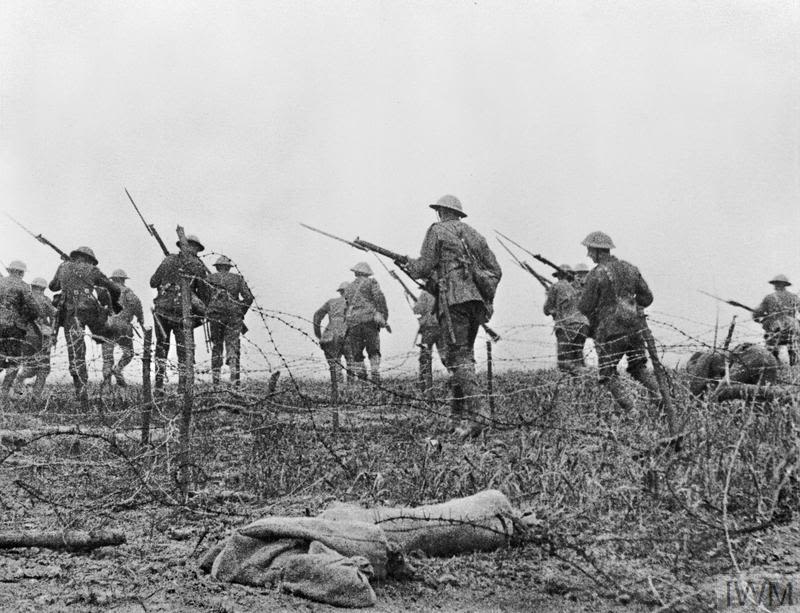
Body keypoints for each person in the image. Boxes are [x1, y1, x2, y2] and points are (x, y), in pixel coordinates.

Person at [399, 195, 502, 437]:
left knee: (458, 357)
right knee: (462, 357)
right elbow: (495, 270)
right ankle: (457, 419)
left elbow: (424, 267)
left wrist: (407, 264)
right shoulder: (474, 234)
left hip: (453, 301)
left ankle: (478, 416)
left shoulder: (437, 230)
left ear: (441, 212)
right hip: (475, 302)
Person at [577, 231, 660, 411]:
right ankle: (659, 397)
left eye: (590, 250)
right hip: (635, 328)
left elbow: (584, 307)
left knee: (607, 375)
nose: (588, 255)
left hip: (610, 332)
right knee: (638, 368)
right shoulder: (630, 268)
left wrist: (584, 293)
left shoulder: (595, 274)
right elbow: (647, 298)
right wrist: (628, 305)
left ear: (599, 251)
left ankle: (632, 411)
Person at [49, 247, 121, 402]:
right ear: (89, 259)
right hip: (90, 311)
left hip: (69, 312)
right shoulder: (93, 269)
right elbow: (114, 288)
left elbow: (53, 286)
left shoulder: (63, 267)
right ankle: (107, 374)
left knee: (75, 351)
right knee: (108, 336)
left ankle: (81, 392)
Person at [150, 233, 210, 394]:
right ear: (194, 248)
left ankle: (158, 385)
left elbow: (153, 282)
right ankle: (183, 388)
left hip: (161, 311)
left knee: (161, 348)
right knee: (184, 350)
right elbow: (204, 292)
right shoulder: (198, 265)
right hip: (182, 313)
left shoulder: (168, 260)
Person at [205, 255, 254, 385]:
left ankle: (216, 381)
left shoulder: (209, 279)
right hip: (233, 317)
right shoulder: (237, 279)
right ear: (228, 267)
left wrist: (210, 309)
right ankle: (235, 380)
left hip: (215, 316)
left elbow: (204, 298)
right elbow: (249, 298)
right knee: (233, 347)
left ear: (217, 267)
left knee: (216, 346)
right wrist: (239, 312)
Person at [9, 276, 57, 398]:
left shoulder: (24, 300)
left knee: (29, 366)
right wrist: (52, 332)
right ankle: (36, 396)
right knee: (44, 368)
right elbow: (55, 316)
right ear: (43, 289)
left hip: (23, 337)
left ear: (32, 287)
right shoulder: (45, 300)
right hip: (40, 338)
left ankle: (18, 383)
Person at [343, 262, 389, 384]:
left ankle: (362, 380)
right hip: (369, 322)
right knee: (373, 351)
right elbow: (380, 299)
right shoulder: (371, 282)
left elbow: (346, 307)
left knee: (357, 354)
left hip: (353, 324)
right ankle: (375, 378)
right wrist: (384, 317)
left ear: (356, 272)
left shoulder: (349, 288)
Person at [0, 261, 40, 398]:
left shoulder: (0, 282)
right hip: (14, 327)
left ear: (10, 270)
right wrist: (26, 318)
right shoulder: (23, 286)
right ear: (21, 273)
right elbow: (34, 310)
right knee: (14, 361)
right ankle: (5, 392)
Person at [101, 269, 146, 387]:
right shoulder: (128, 293)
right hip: (124, 326)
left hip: (108, 326)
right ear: (123, 280)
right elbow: (138, 308)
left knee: (107, 358)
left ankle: (106, 384)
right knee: (129, 353)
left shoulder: (105, 292)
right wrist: (141, 323)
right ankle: (118, 369)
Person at [542, 264, 589, 374]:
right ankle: (582, 381)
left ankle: (584, 374)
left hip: (567, 327)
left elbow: (546, 309)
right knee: (577, 360)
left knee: (564, 362)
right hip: (583, 326)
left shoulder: (556, 286)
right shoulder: (578, 288)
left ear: (558, 275)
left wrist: (549, 295)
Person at [752, 274, 799, 365]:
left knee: (771, 352)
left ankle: (774, 368)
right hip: (792, 327)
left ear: (775, 285)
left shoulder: (769, 298)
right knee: (794, 351)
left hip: (774, 327)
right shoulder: (794, 297)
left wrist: (761, 320)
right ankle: (795, 369)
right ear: (785, 285)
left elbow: (756, 314)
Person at [313, 282, 350, 385]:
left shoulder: (331, 302)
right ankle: (352, 390)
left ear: (340, 292)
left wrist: (319, 335)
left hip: (330, 334)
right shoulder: (353, 303)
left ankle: (338, 389)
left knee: (334, 365)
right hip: (347, 334)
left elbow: (317, 316)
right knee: (352, 364)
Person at [413, 289, 446, 398]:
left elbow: (417, 309)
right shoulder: (443, 290)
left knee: (425, 360)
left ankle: (424, 390)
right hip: (442, 328)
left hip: (428, 329)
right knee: (447, 358)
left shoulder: (425, 292)